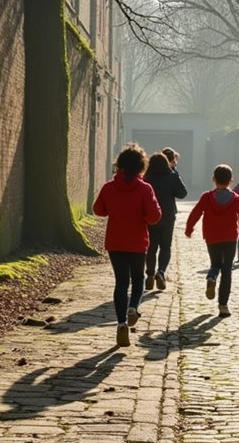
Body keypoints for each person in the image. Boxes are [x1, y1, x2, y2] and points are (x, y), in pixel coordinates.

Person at [92, 143, 162, 347]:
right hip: (138, 242)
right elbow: (155, 217)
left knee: (121, 282)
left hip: (115, 241)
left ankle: (121, 323)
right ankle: (133, 307)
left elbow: (98, 210)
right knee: (138, 279)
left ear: (120, 164)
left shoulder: (109, 186)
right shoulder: (145, 188)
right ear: (141, 166)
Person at [185, 165, 239, 317]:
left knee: (215, 264)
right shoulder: (235, 198)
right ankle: (223, 306)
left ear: (213, 179)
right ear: (231, 181)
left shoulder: (206, 197)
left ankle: (212, 276)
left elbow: (196, 213)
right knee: (227, 269)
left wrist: (189, 228)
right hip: (230, 237)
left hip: (212, 237)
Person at [143, 152, 188, 291]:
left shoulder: (147, 178)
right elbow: (182, 193)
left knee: (151, 247)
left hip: (151, 216)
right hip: (168, 216)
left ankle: (150, 274)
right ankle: (161, 271)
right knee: (165, 246)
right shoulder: (172, 176)